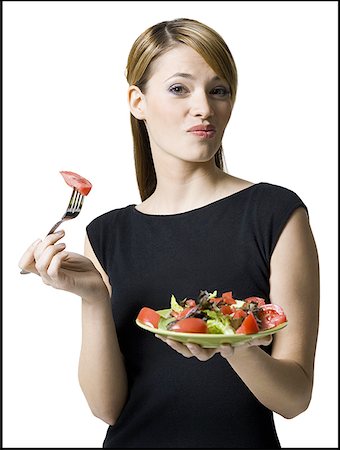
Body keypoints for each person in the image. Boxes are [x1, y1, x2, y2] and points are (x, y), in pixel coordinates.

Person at [19, 18, 320, 449]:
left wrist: (233, 345)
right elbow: (107, 409)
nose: (204, 107)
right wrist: (93, 299)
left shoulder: (275, 213)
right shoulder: (107, 232)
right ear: (137, 102)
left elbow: (294, 399)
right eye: (180, 88)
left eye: (218, 90)